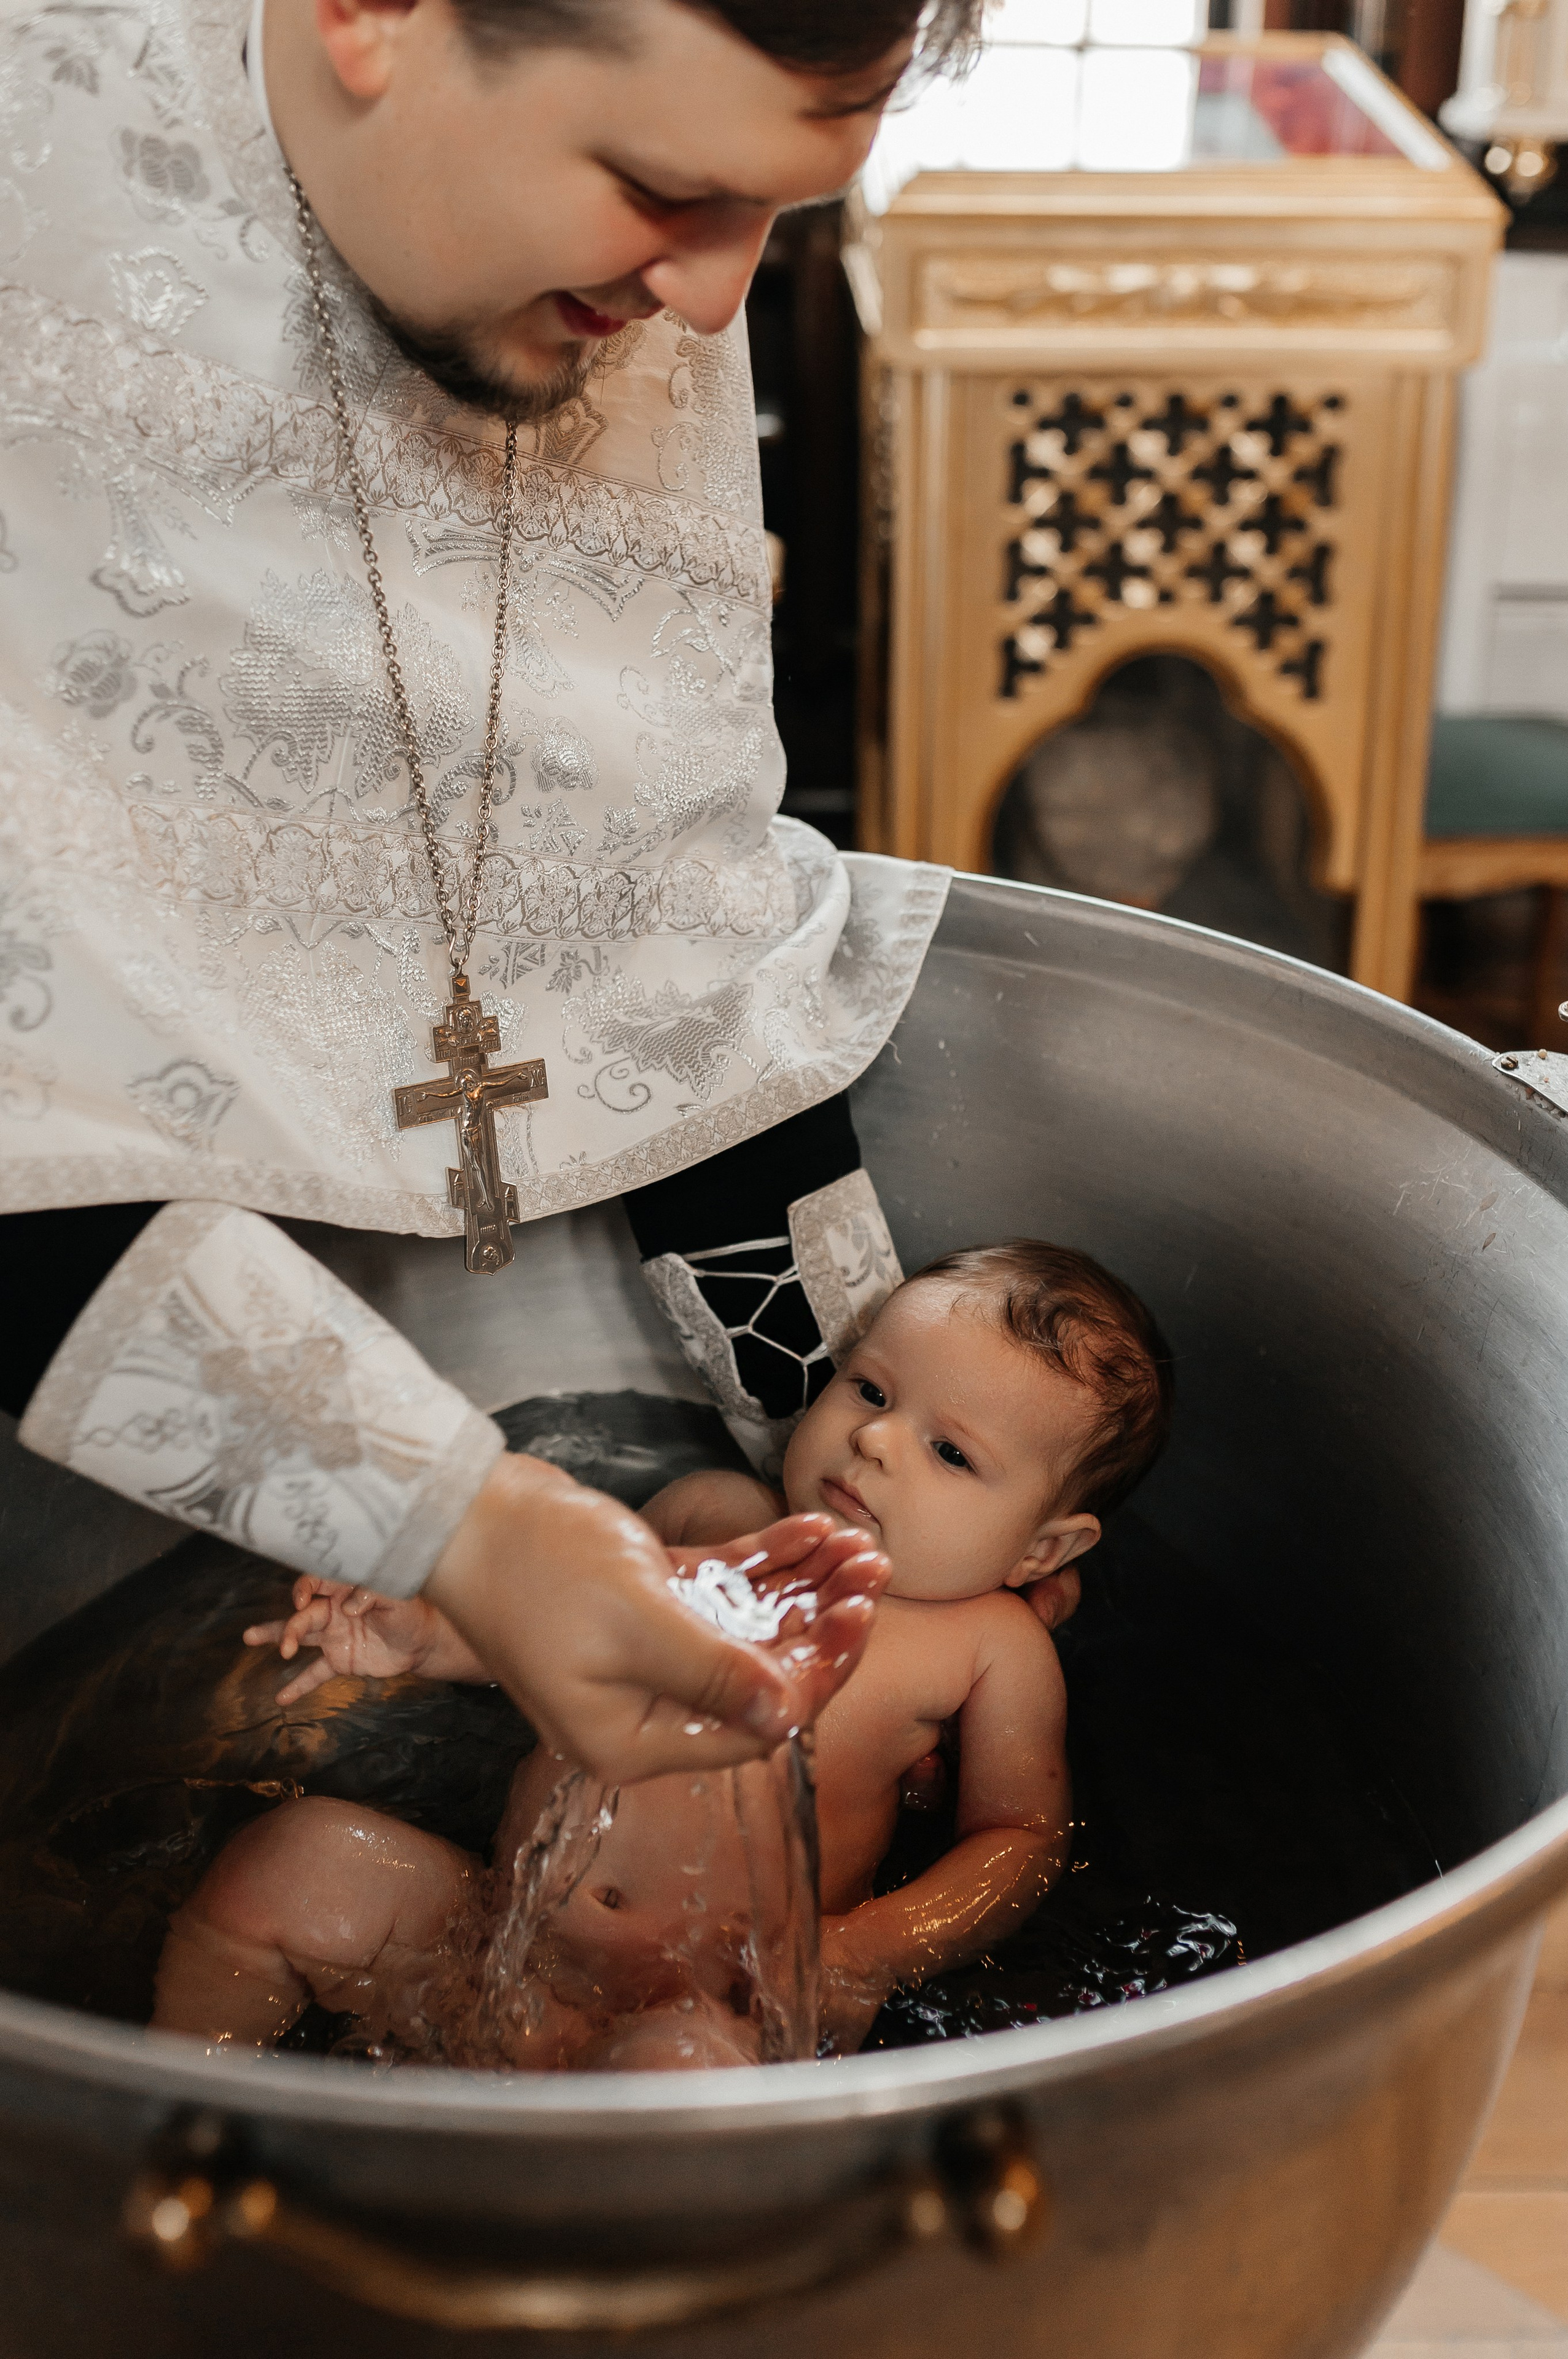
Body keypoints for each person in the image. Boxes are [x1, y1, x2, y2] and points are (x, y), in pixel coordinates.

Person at [0, 0, 984, 1770]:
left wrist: (864, 1484)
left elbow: (651, 906)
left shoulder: (612, 281)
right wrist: (459, 1522)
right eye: (669, 188)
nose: (709, 302)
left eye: (779, 213)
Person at [151, 1241, 1173, 2064]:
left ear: (1044, 1547)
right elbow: (557, 1635)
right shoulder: (711, 1515)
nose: (876, 1443)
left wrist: (868, 1950)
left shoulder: (986, 1648)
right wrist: (426, 1633)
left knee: (685, 2082)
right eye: (871, 1391)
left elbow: (1023, 1838)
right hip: (489, 1945)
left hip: (709, 2012)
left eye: (951, 1453)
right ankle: (186, 2105)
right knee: (291, 1864)